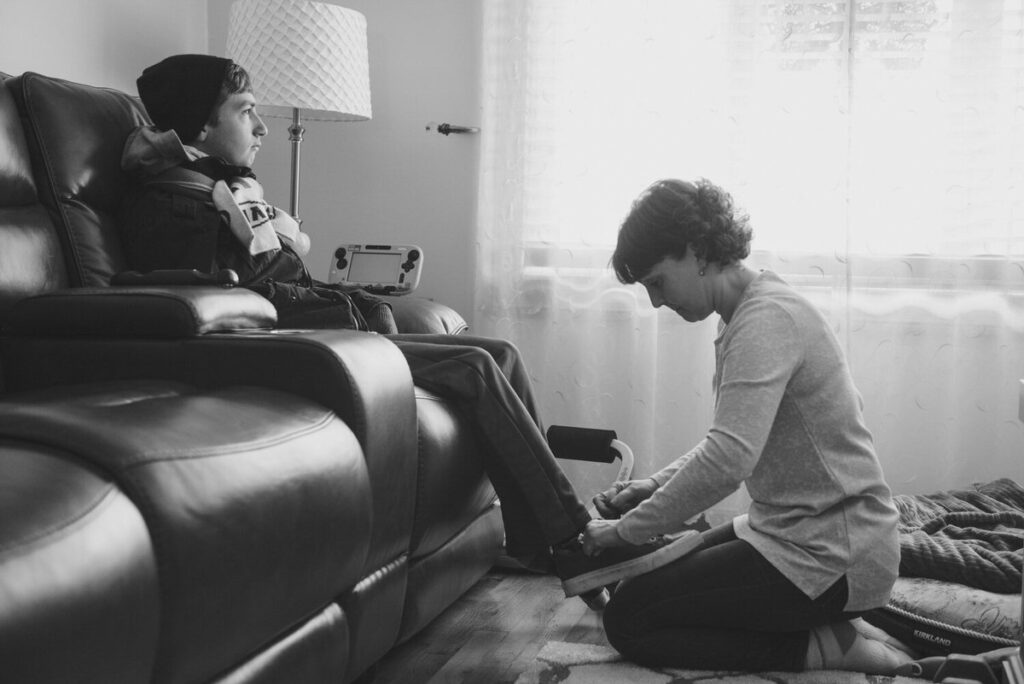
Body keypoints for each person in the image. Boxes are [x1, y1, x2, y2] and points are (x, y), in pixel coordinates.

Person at [118, 54, 698, 607]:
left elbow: (273, 273)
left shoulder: (226, 187)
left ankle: (532, 540)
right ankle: (577, 543)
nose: (262, 127)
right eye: (246, 110)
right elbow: (222, 302)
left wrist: (339, 293)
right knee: (472, 367)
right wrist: (333, 303)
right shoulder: (175, 202)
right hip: (281, 352)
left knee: (500, 351)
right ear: (199, 122)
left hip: (320, 338)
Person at [583, 177, 914, 673]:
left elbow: (728, 461)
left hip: (833, 555)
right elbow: (728, 443)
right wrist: (651, 487)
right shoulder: (744, 314)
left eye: (656, 282)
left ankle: (829, 647)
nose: (655, 302)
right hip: (789, 532)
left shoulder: (765, 321)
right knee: (640, 588)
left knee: (630, 620)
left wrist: (627, 531)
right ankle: (824, 628)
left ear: (695, 251)